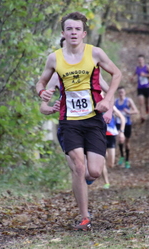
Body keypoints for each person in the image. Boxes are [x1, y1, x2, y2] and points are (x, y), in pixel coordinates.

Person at [36, 12, 122, 231]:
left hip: (93, 119)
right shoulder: (55, 59)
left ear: (83, 33)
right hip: (69, 121)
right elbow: (42, 84)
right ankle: (84, 217)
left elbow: (117, 75)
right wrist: (42, 95)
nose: (73, 32)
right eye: (69, 29)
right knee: (78, 166)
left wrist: (108, 103)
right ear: (63, 33)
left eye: (77, 29)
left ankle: (85, 179)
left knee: (93, 171)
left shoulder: (95, 54)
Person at [101, 105, 126, 189]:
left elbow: (122, 118)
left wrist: (121, 132)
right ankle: (106, 182)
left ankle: (105, 157)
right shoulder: (93, 104)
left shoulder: (111, 106)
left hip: (111, 135)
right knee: (102, 161)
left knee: (111, 164)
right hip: (99, 135)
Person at [114, 87, 139, 169]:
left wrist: (129, 112)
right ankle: (121, 156)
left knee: (127, 142)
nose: (121, 93)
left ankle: (127, 160)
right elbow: (112, 111)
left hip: (127, 124)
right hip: (118, 123)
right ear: (118, 93)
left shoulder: (128, 101)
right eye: (119, 92)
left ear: (125, 92)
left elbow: (136, 111)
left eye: (122, 92)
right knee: (120, 140)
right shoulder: (116, 102)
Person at [131, 54, 149, 123]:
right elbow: (134, 75)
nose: (140, 61)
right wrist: (132, 78)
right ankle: (142, 116)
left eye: (141, 60)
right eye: (139, 60)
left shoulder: (147, 67)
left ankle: (147, 106)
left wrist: (145, 75)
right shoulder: (137, 68)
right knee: (141, 103)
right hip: (140, 88)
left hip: (147, 87)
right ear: (138, 61)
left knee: (146, 102)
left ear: (144, 60)